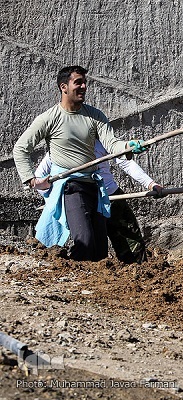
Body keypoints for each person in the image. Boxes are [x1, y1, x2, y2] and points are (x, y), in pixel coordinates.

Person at [12, 65, 147, 261]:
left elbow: (111, 143)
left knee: (100, 250)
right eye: (78, 82)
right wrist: (32, 180)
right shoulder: (49, 118)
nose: (83, 86)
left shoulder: (95, 116)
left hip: (94, 186)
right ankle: (72, 284)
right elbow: (21, 149)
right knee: (85, 241)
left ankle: (96, 288)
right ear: (63, 87)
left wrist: (127, 146)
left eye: (85, 82)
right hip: (71, 188)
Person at [35, 140, 163, 264]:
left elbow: (126, 163)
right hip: (85, 200)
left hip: (112, 198)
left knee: (133, 244)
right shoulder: (61, 147)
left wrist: (151, 184)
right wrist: (54, 199)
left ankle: (137, 274)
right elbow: (39, 177)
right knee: (93, 247)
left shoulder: (102, 140)